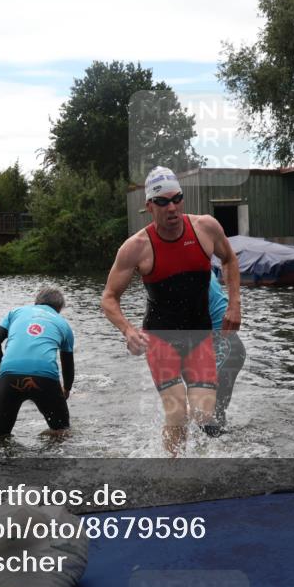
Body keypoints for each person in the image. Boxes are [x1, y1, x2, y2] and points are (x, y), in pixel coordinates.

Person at [101, 166, 240, 455]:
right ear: (150, 206)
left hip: (199, 337)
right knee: (177, 414)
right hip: (160, 338)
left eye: (177, 199)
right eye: (163, 202)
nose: (172, 207)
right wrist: (127, 330)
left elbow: (229, 260)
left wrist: (234, 303)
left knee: (203, 415)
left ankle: (196, 469)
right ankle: (171, 473)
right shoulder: (136, 247)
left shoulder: (206, 227)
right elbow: (109, 297)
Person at [0, 286, 75, 439]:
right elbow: (67, 364)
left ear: (36, 302)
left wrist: (3, 366)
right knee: (62, 432)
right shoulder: (63, 325)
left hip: (9, 376)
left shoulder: (16, 313)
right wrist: (66, 389)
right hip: (45, 378)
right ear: (59, 308)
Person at [206, 269, 246, 435]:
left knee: (206, 411)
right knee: (213, 415)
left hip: (226, 349)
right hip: (222, 349)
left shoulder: (193, 276)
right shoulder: (197, 267)